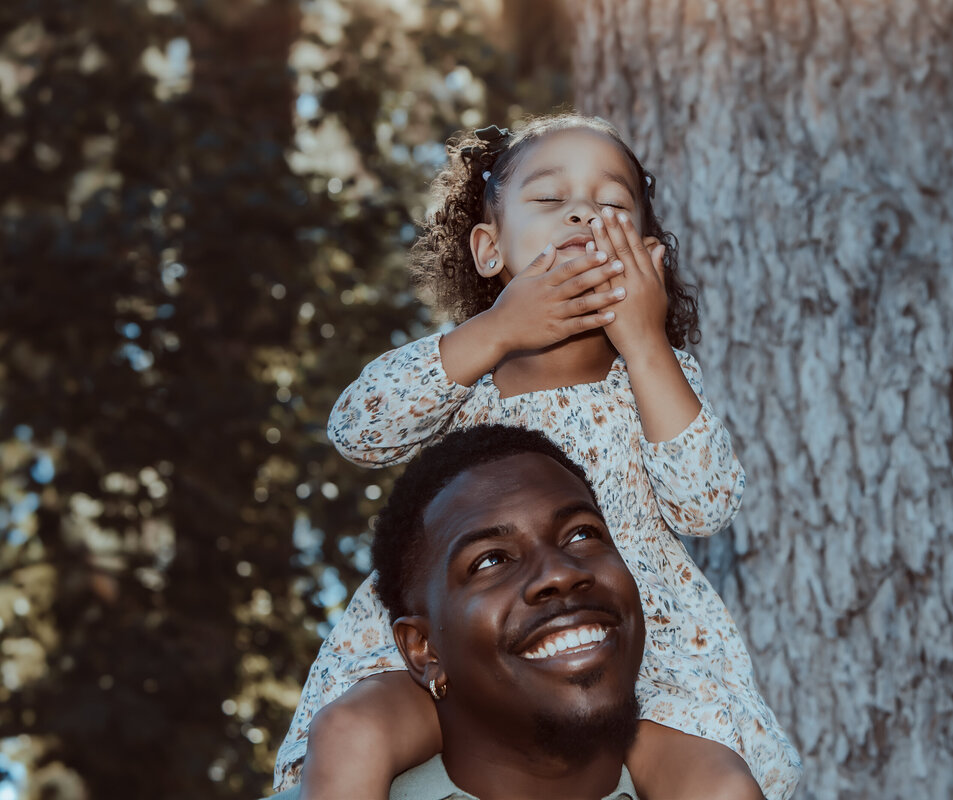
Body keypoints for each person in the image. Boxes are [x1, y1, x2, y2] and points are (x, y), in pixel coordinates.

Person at [275, 113, 802, 800]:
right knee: (350, 731)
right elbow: (358, 430)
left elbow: (706, 503)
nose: (584, 213)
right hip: (462, 651)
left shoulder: (654, 378)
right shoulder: (463, 376)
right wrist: (492, 331)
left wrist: (645, 342)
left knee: (721, 784)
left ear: (648, 258)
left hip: (630, 663)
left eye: (612, 205)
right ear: (490, 250)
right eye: (551, 200)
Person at [277, 425, 646, 799]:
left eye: (582, 534)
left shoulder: (700, 772)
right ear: (424, 648)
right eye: (491, 560)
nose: (559, 574)